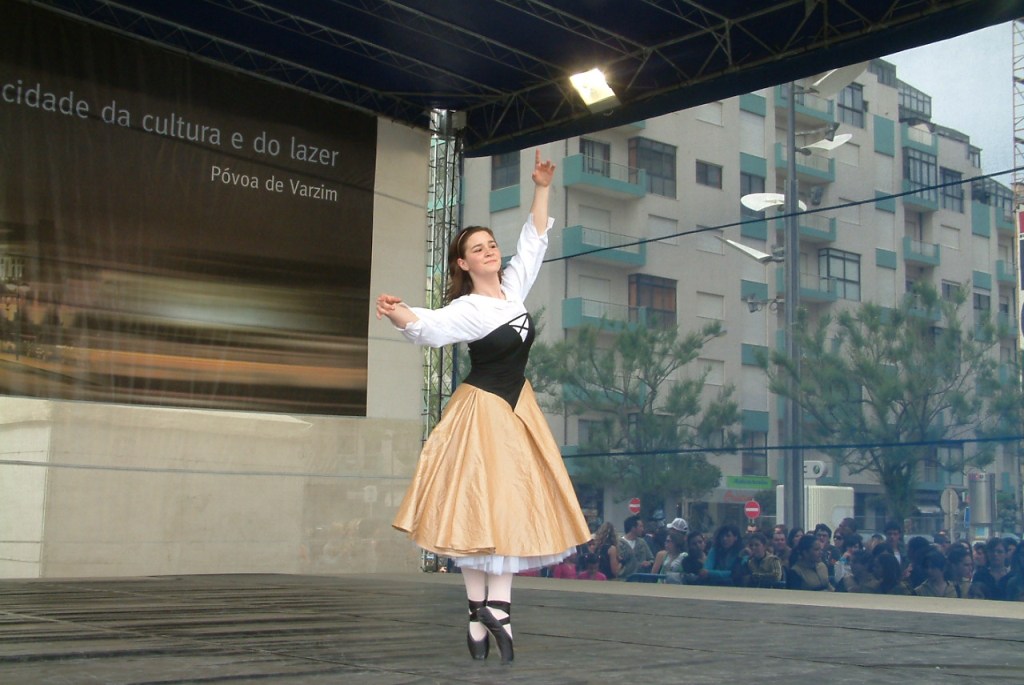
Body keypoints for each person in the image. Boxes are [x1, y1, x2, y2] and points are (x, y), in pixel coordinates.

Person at [381, 151, 590, 664]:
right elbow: (429, 327)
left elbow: (534, 242)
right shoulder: (469, 308)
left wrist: (541, 187)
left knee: (507, 507)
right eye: (478, 248)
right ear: (463, 263)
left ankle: (483, 613)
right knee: (481, 508)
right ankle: (494, 608)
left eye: (491, 244)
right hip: (483, 411)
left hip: (516, 408)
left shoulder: (513, 290)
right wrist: (399, 312)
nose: (490, 251)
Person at [617, 515, 655, 579]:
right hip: (623, 580)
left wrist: (649, 563)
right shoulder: (619, 543)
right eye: (640, 526)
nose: (642, 529)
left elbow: (652, 559)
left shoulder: (642, 543)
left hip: (639, 580)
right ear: (633, 528)